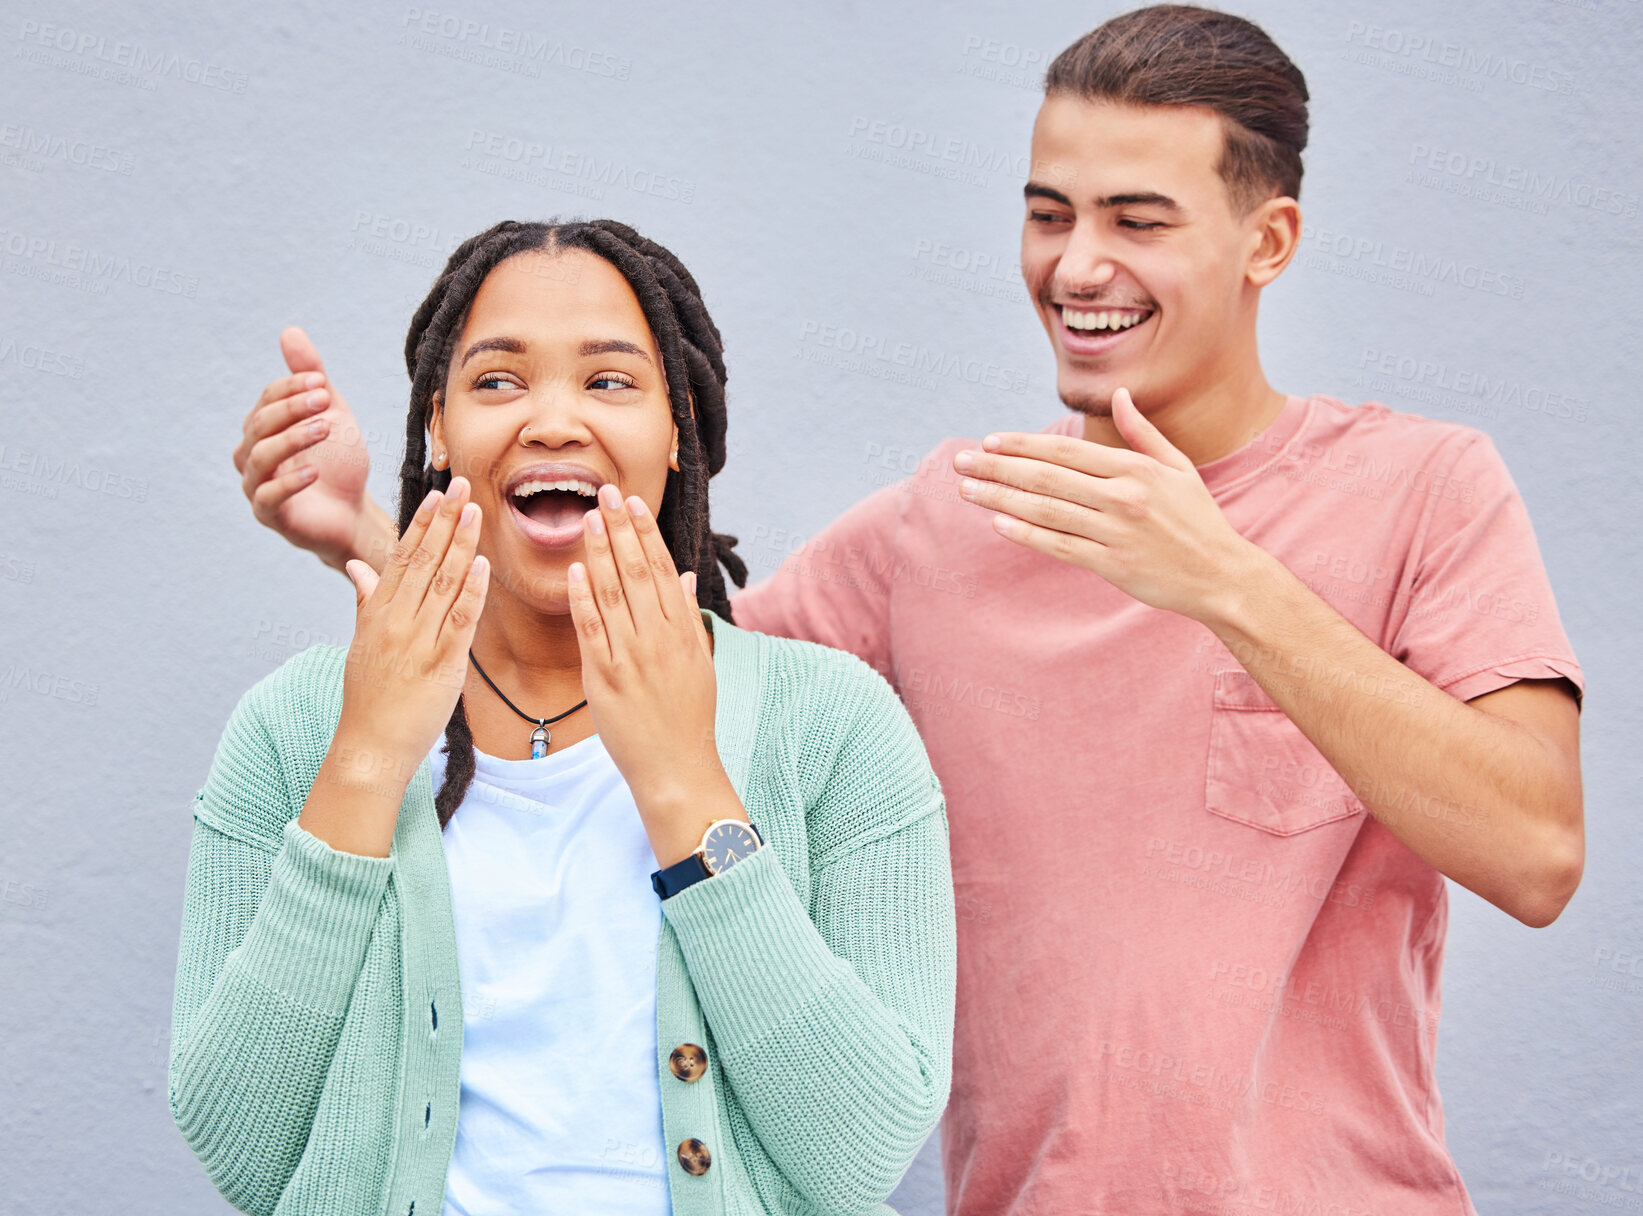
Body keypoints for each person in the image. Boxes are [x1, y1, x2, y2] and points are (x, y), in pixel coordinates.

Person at [231, 9, 1587, 1215]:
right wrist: (367, 529)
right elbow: (635, 668)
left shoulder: (1424, 491)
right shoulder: (947, 519)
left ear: (1265, 241)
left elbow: (1532, 851)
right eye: (1047, 213)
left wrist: (1222, 582)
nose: (1073, 267)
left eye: (1136, 218)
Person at [173, 218, 956, 1216]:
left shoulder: (836, 726)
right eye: (497, 380)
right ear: (437, 426)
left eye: (609, 381)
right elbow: (237, 1137)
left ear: (678, 431)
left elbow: (859, 1148)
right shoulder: (295, 725)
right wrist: (368, 757)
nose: (551, 421)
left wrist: (682, 783)